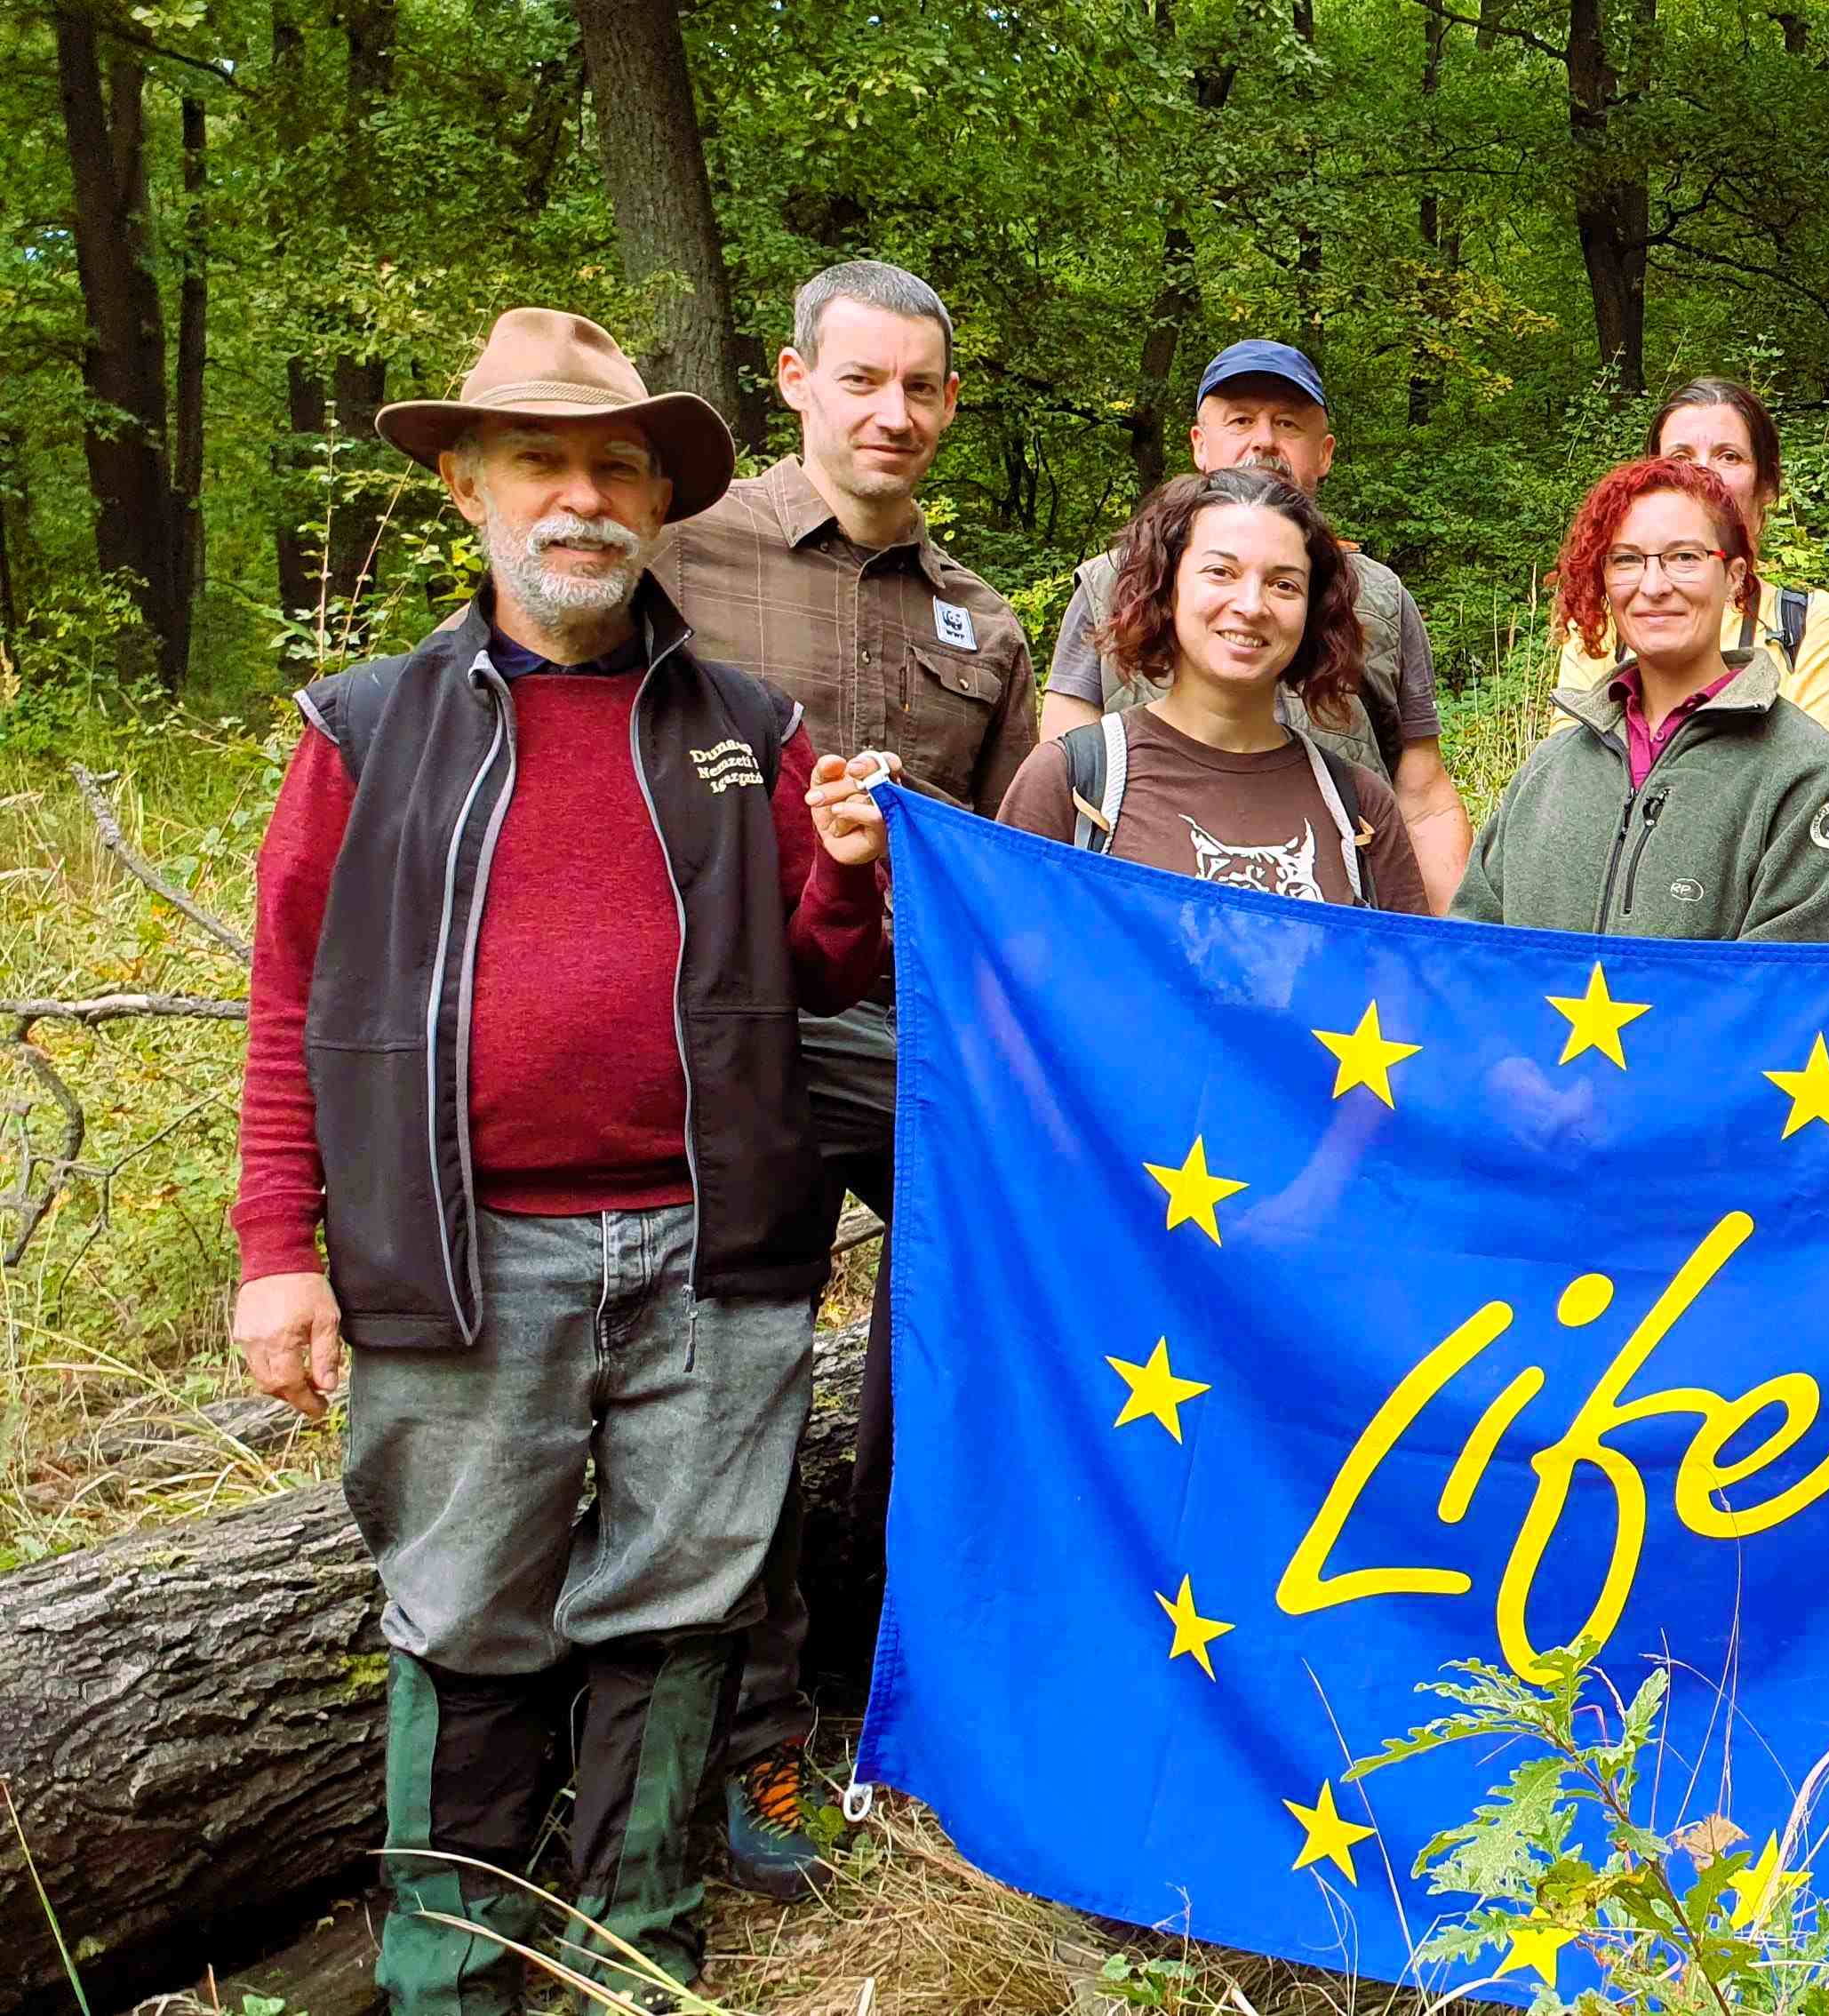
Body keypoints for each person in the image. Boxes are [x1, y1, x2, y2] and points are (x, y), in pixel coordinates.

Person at [226, 308, 897, 2016]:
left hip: (711, 1249)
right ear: (467, 483)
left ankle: (634, 1946)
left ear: (662, 499)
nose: (583, 499)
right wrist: (274, 1248)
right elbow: (292, 998)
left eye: (618, 466)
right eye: (543, 461)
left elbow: (812, 975)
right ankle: (449, 1963)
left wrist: (834, 875)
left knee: (676, 1609)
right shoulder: (366, 728)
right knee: (461, 1613)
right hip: (458, 1254)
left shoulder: (745, 722)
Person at [651, 257, 1028, 1897]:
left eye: (922, 388)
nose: (892, 413)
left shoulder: (987, 620)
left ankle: (899, 1664)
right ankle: (750, 1741)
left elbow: (1024, 866)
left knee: (977, 1313)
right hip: (720, 1026)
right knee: (736, 1363)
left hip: (915, 1042)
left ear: (949, 404)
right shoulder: (678, 562)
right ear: (791, 380)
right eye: (860, 380)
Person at [1038, 340, 1470, 905]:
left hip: (1335, 925)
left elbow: (1425, 798)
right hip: (1148, 927)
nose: (1264, 440)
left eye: (1288, 423)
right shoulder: (1112, 583)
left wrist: (1454, 948)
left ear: (1325, 453)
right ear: (1199, 443)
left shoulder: (1381, 597)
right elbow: (1066, 772)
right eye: (1240, 419)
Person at [1457, 457, 1829, 938]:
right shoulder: (1550, 770)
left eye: (1684, 558)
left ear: (1734, 577)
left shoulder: (1802, 770)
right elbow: (1471, 959)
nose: (1653, 586)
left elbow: (1783, 989)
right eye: (1626, 560)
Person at [1000, 467, 1423, 911]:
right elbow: (994, 969)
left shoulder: (1359, 808)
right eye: (1221, 572)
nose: (1251, 605)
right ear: (1167, 588)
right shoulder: (1071, 784)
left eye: (1284, 585)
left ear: (1311, 610)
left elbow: (1411, 978)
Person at [1553, 379, 1829, 747]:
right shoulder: (1610, 618)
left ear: (1767, 486)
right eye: (1679, 458)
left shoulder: (1810, 625)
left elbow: (1805, 783)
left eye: (1728, 456)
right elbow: (1568, 773)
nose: (1702, 475)